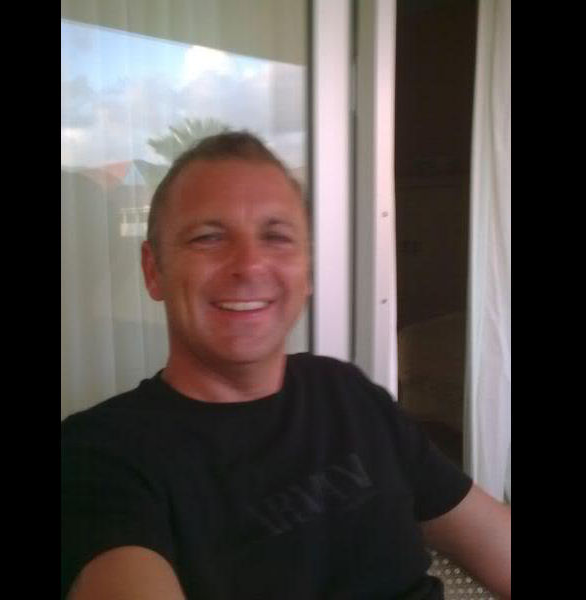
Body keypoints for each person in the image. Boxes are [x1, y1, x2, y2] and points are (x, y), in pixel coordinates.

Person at [61, 131, 511, 600]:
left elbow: (495, 541)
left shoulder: (348, 394)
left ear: (308, 271)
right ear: (154, 270)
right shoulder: (100, 456)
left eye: (276, 237)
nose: (250, 265)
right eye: (209, 237)